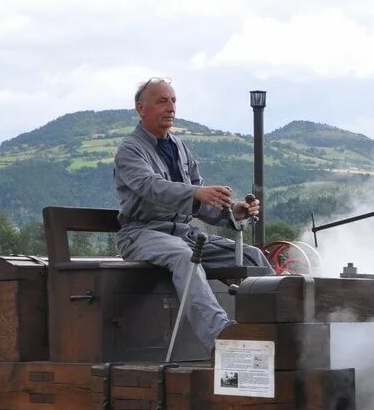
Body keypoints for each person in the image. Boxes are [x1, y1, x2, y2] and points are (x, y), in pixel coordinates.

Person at [113, 77, 266, 352]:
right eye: (162, 101)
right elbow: (152, 187)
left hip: (183, 233)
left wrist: (233, 211)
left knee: (253, 256)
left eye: (173, 100)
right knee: (185, 258)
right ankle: (221, 337)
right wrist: (195, 193)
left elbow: (201, 200)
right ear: (141, 108)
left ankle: (275, 328)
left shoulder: (180, 147)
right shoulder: (130, 150)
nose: (170, 107)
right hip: (141, 234)